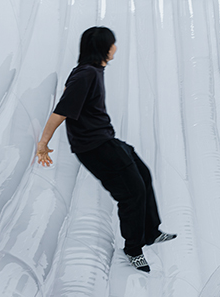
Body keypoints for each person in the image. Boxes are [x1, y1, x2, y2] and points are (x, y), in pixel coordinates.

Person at [35, 26, 176, 273]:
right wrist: (43, 143)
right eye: (113, 43)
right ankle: (133, 249)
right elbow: (61, 111)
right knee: (131, 193)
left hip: (104, 139)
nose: (116, 48)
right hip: (94, 146)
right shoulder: (86, 74)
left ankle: (151, 232)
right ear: (102, 48)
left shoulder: (92, 71)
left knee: (143, 174)